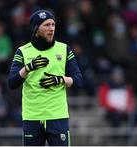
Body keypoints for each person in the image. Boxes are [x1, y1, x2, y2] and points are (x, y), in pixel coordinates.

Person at [8, 9, 83, 146]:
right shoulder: (23, 51)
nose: (51, 29)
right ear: (36, 29)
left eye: (53, 25)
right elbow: (12, 83)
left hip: (57, 117)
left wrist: (60, 80)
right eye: (46, 25)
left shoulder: (64, 49)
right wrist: (27, 68)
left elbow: (78, 80)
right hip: (32, 117)